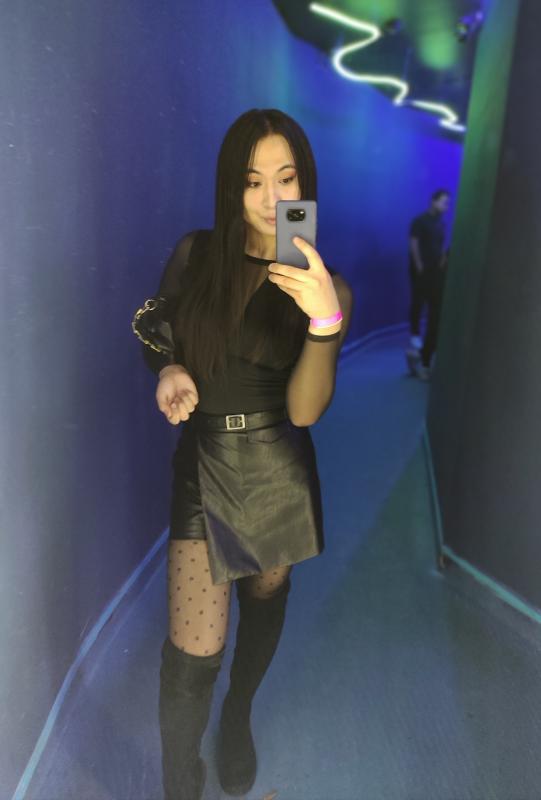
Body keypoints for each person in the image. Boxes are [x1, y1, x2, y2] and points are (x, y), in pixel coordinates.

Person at [132, 108, 353, 800]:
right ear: (231, 186)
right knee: (191, 656)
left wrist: (324, 319)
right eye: (252, 180)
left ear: (305, 184)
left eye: (285, 179)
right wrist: (169, 367)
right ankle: (180, 786)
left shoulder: (327, 284)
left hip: (277, 469)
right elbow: (154, 322)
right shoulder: (196, 255)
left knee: (263, 606)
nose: (269, 197)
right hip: (204, 463)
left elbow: (305, 411)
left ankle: (239, 714)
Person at [406, 189, 450, 381]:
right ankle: (415, 334)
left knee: (434, 307)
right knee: (418, 300)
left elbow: (440, 246)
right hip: (422, 270)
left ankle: (421, 354)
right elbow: (414, 243)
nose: (446, 206)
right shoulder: (420, 221)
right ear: (433, 201)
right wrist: (419, 265)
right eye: (443, 202)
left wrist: (441, 262)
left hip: (435, 271)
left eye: (447, 203)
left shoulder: (440, 223)